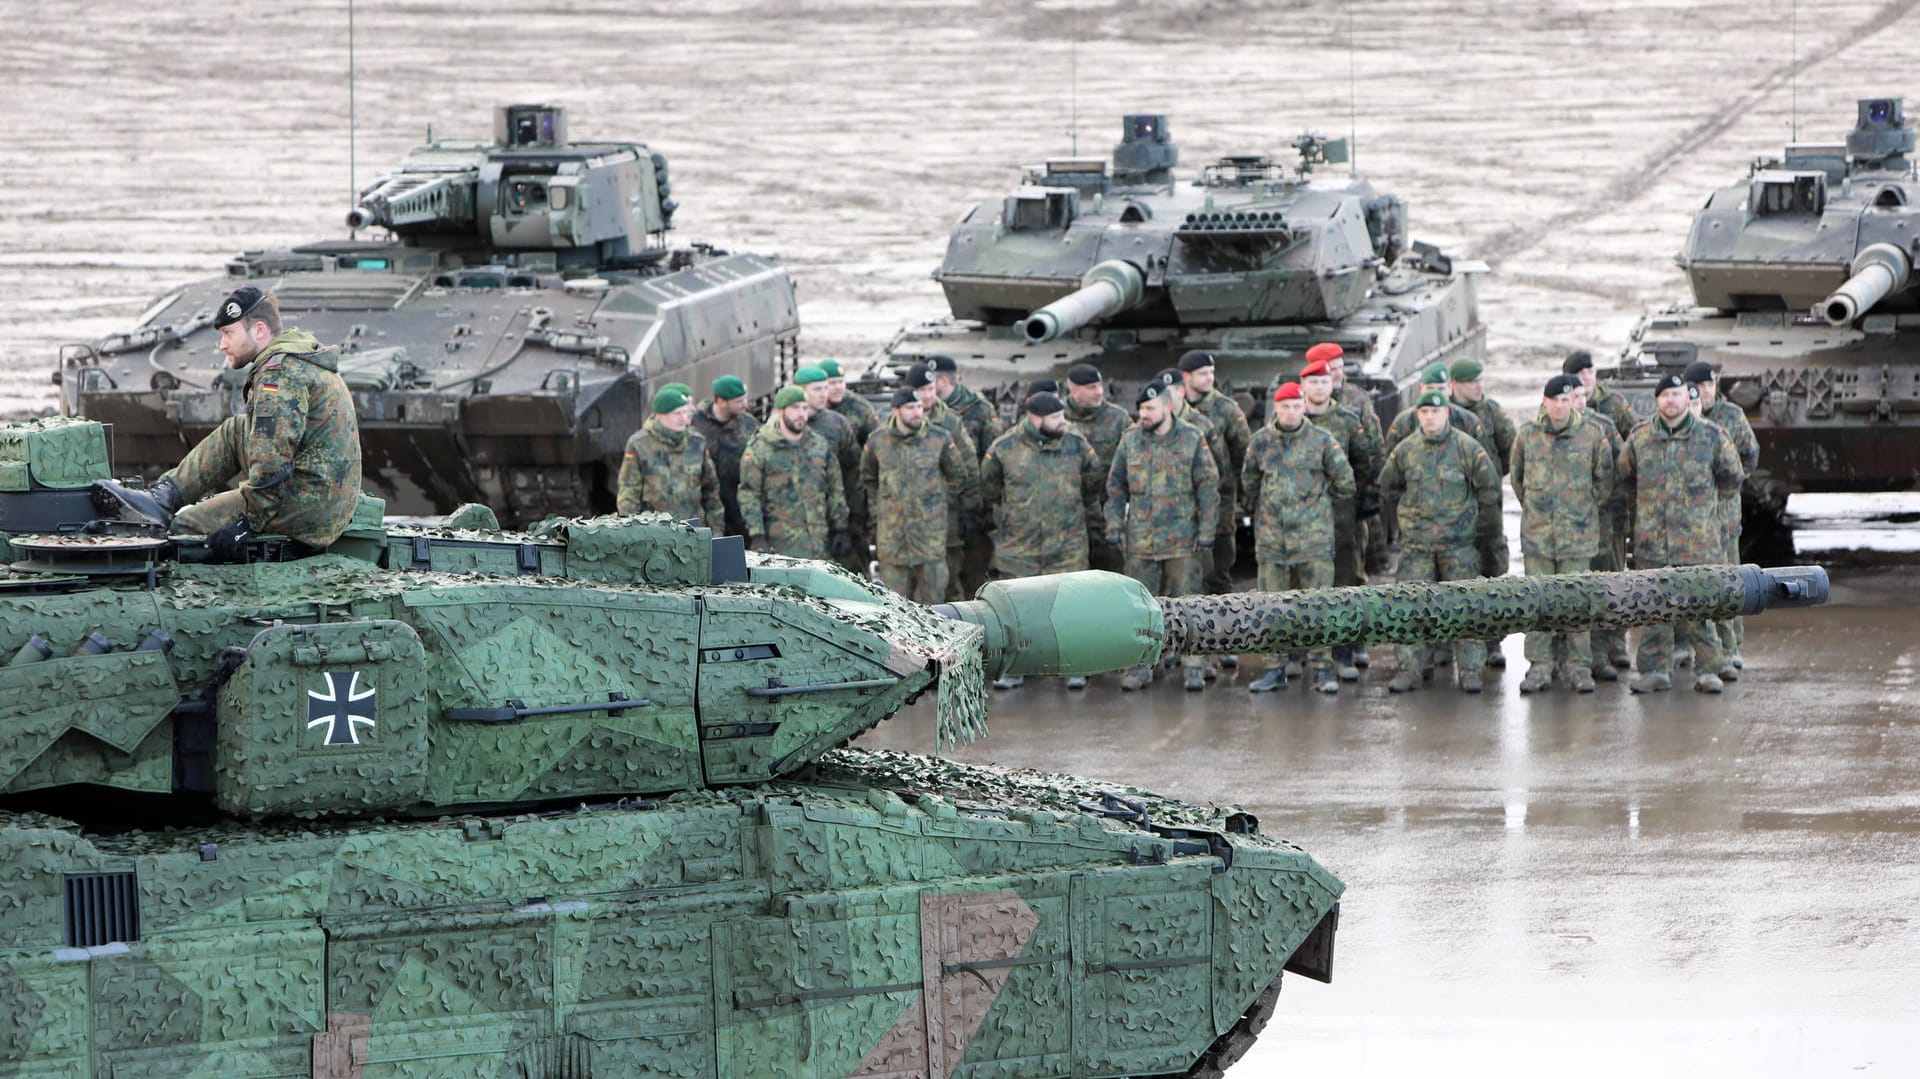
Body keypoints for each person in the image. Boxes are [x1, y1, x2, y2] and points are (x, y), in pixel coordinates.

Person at [91, 286, 362, 559]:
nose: (222, 345)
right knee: (236, 430)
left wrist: (249, 524)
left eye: (228, 334)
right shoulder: (296, 355)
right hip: (324, 496)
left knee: (182, 527)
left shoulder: (279, 375)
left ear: (258, 330)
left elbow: (272, 462)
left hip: (308, 509)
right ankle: (164, 497)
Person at [1615, 374, 1744, 693]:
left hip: (1698, 543)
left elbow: (1731, 479)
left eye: (1676, 394)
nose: (1670, 401)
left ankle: (1708, 669)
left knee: (1701, 608)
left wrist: (1703, 516)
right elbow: (1626, 478)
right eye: (1665, 395)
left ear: (1688, 398)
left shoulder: (1712, 436)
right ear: (1657, 400)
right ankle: (1656, 670)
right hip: (1653, 544)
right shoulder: (1640, 437)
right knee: (1654, 608)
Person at [979, 391, 1106, 689]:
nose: (1062, 421)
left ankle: (1075, 664)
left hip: (1067, 543)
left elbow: (1092, 484)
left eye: (1062, 415)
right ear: (1035, 417)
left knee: (1072, 606)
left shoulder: (1076, 445)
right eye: (1055, 417)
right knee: (1016, 610)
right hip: (1020, 546)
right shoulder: (1005, 448)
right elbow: (990, 488)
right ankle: (1015, 668)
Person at [1379, 391, 1501, 693]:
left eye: (1435, 412)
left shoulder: (1467, 448)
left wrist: (1467, 520)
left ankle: (1471, 670)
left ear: (1446, 413)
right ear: (1418, 415)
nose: (1430, 417)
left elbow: (1490, 488)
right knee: (1410, 609)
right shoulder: (1406, 450)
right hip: (1417, 548)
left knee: (1467, 609)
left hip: (1458, 548)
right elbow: (1387, 485)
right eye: (1424, 412)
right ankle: (1410, 668)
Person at [1105, 380, 1219, 692]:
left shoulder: (1192, 438)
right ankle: (1142, 665)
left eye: (1150, 408)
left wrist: (1207, 532)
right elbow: (1115, 487)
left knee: (1189, 604)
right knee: (1142, 609)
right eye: (1141, 408)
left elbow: (1208, 488)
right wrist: (1114, 525)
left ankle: (1194, 664)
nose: (1143, 414)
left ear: (1167, 407)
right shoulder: (1130, 441)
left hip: (1183, 540)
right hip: (1141, 540)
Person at [1241, 382, 1355, 694]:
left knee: (1319, 606)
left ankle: (1321, 669)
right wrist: (1266, 512)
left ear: (1303, 407)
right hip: (1273, 540)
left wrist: (1316, 506)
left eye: (1295, 405)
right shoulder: (1261, 442)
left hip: (1312, 539)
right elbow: (1249, 484)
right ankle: (1274, 669)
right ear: (1275, 408)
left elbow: (1345, 482)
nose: (1290, 411)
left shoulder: (1322, 441)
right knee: (1272, 606)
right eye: (1284, 406)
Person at [1509, 375, 1615, 693]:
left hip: (1577, 539)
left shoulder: (1592, 435)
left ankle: (1579, 666)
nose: (1560, 405)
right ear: (1545, 401)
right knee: (1537, 603)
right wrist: (1538, 512)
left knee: (1578, 603)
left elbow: (1604, 483)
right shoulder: (1527, 435)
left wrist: (1579, 514)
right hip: (1538, 538)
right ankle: (1540, 666)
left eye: (1566, 400)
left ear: (1574, 402)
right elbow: (1517, 480)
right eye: (1554, 400)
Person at [1299, 355, 1382, 680]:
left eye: (1326, 377)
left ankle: (1348, 649)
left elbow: (1367, 459)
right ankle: (1306, 650)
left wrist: (1357, 500)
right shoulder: (1291, 414)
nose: (1323, 383)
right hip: (1302, 521)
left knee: (1347, 580)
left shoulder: (1349, 415)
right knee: (1303, 584)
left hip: (1342, 517)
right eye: (1314, 380)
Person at [862, 386, 969, 605]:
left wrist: (935, 505)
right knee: (893, 606)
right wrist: (880, 511)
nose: (917, 412)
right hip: (893, 541)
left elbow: (958, 477)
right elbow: (869, 479)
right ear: (895, 410)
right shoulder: (878, 441)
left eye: (919, 406)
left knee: (935, 605)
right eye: (910, 407)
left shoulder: (939, 438)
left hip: (930, 540)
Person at [1686, 360, 1760, 670]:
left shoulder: (1731, 416)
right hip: (1689, 521)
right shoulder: (1682, 417)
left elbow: (1749, 454)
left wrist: (1730, 485)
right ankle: (1691, 647)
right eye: (1698, 387)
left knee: (1729, 578)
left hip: (1725, 514)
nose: (1704, 391)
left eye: (1708, 385)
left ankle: (1731, 646)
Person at [1449, 355, 1517, 668]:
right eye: (1472, 381)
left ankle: (1492, 642)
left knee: (1492, 573)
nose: (1479, 386)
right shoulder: (1443, 413)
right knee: (1452, 579)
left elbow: (1512, 453)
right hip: (1450, 516)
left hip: (1487, 513)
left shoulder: (1493, 413)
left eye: (1480, 380)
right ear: (1455, 385)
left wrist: (1491, 481)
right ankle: (1449, 642)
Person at [737, 385, 848, 559]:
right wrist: (757, 535)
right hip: (781, 546)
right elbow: (749, 494)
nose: (801, 414)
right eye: (795, 408)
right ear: (781, 411)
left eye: (804, 408)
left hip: (818, 543)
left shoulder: (818, 445)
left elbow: (835, 487)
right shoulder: (760, 448)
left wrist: (840, 527)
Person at [1567, 378, 1631, 679]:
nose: (1579, 400)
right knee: (1572, 591)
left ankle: (1610, 647)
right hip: (1565, 531)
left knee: (1607, 584)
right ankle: (1567, 657)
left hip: (1605, 521)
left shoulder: (1603, 425)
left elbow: (1621, 466)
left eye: (1582, 394)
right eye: (1573, 394)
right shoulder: (1541, 430)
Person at [925, 355, 1002, 599]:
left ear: (943, 380)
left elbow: (993, 457)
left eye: (930, 384)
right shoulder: (923, 412)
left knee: (975, 571)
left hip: (972, 504)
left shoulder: (979, 410)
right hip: (942, 508)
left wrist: (985, 506)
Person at [1178, 351, 1253, 595]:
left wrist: (1245, 494)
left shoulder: (1226, 409)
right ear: (1186, 377)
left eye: (1211, 372)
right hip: (1183, 504)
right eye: (1203, 373)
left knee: (1219, 571)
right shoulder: (1174, 408)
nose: (1210, 378)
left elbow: (1244, 454)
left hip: (1220, 499)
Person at [907, 362, 982, 599]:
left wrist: (969, 508)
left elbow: (968, 464)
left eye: (931, 389)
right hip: (907, 520)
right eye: (922, 391)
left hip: (945, 515)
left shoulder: (950, 422)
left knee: (948, 580)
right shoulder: (896, 424)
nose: (928, 396)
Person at [615, 384, 724, 525]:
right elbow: (629, 494)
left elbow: (711, 491)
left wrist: (715, 531)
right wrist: (634, 531)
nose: (683, 419)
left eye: (685, 413)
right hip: (655, 531)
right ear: (660, 415)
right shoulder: (639, 444)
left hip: (692, 528)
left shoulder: (697, 442)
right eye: (677, 413)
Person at [794, 365, 865, 573]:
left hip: (836, 515)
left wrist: (851, 518)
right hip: (796, 524)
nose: (824, 393)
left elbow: (853, 470)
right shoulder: (784, 425)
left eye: (825, 388)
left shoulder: (837, 423)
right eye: (817, 389)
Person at [1063, 363, 1131, 572]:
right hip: (1068, 514)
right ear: (1074, 390)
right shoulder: (1058, 419)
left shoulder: (1119, 418)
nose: (1099, 392)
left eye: (1099, 385)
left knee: (1112, 571)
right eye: (1091, 387)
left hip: (1106, 512)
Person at [691, 374, 758, 539]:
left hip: (738, 505)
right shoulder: (695, 424)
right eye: (738, 401)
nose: (745, 405)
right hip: (706, 505)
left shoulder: (749, 424)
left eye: (744, 399)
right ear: (721, 401)